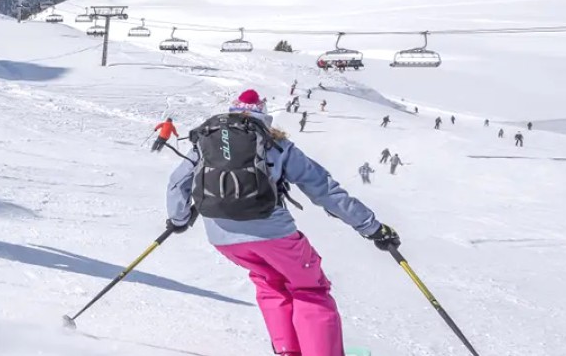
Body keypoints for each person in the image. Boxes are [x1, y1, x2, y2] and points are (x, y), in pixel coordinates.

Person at [166, 89, 395, 356]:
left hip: (223, 239)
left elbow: (176, 183)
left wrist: (179, 219)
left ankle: (288, 350)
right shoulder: (277, 145)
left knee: (269, 282)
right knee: (309, 288)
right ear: (264, 116)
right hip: (273, 235)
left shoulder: (205, 142)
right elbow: (324, 190)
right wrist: (372, 227)